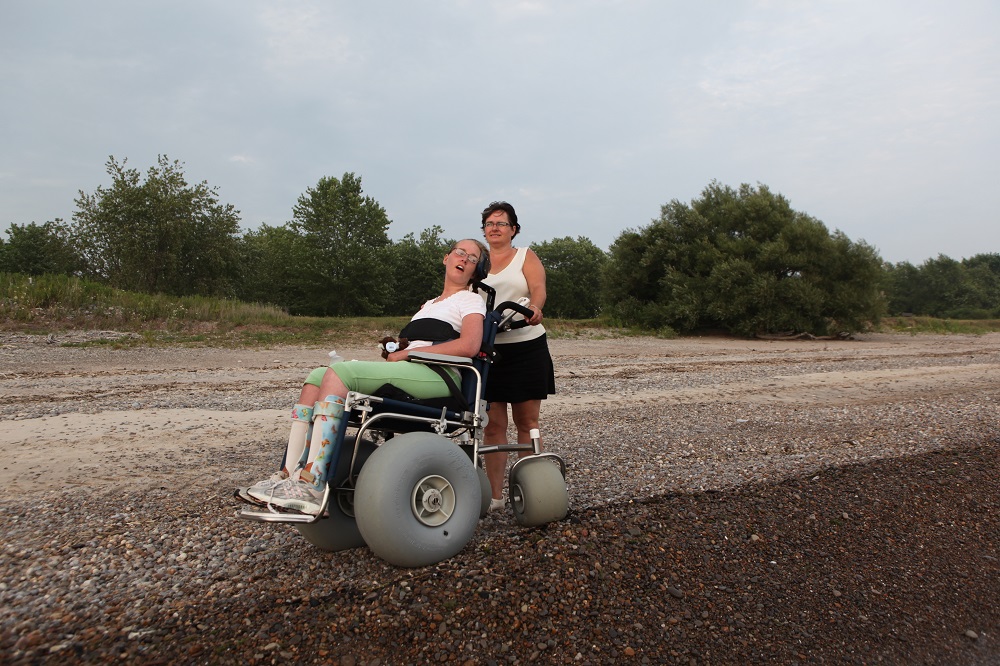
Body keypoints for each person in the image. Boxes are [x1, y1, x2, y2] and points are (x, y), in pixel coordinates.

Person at [243, 239, 489, 515]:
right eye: (459, 252)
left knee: (339, 373)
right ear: (446, 258)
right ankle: (288, 477)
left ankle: (311, 485)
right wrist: (399, 351)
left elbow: (469, 345)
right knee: (316, 377)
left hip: (439, 376)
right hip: (411, 370)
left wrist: (408, 355)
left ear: (476, 270)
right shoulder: (428, 305)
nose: (464, 258)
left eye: (472, 257)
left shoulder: (470, 300)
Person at [478, 201, 555, 511]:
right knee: (493, 426)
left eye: (501, 223)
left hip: (526, 345)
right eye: (489, 223)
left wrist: (535, 307)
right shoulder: (476, 261)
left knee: (527, 421)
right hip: (488, 350)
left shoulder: (525, 256)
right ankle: (495, 498)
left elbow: (538, 288)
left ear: (513, 229)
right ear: (483, 229)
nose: (495, 227)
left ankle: (531, 492)